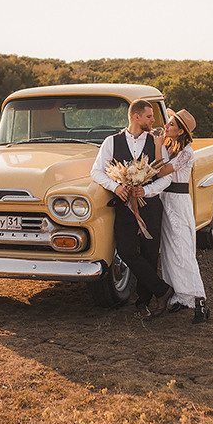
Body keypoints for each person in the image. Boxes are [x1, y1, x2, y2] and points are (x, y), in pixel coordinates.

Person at [90, 99, 174, 317]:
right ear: (136, 117)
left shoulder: (157, 142)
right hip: (124, 204)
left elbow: (167, 176)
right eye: (149, 116)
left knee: (149, 254)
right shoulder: (111, 141)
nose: (153, 120)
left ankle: (143, 303)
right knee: (126, 251)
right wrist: (116, 186)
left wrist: (146, 190)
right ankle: (163, 290)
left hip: (150, 203)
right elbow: (97, 172)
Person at [154, 109, 210, 324]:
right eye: (167, 124)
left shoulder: (187, 152)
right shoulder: (170, 146)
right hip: (164, 201)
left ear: (180, 131)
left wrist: (158, 146)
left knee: (184, 252)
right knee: (168, 251)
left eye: (170, 125)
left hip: (178, 202)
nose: (166, 127)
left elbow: (161, 172)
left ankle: (200, 301)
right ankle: (179, 297)